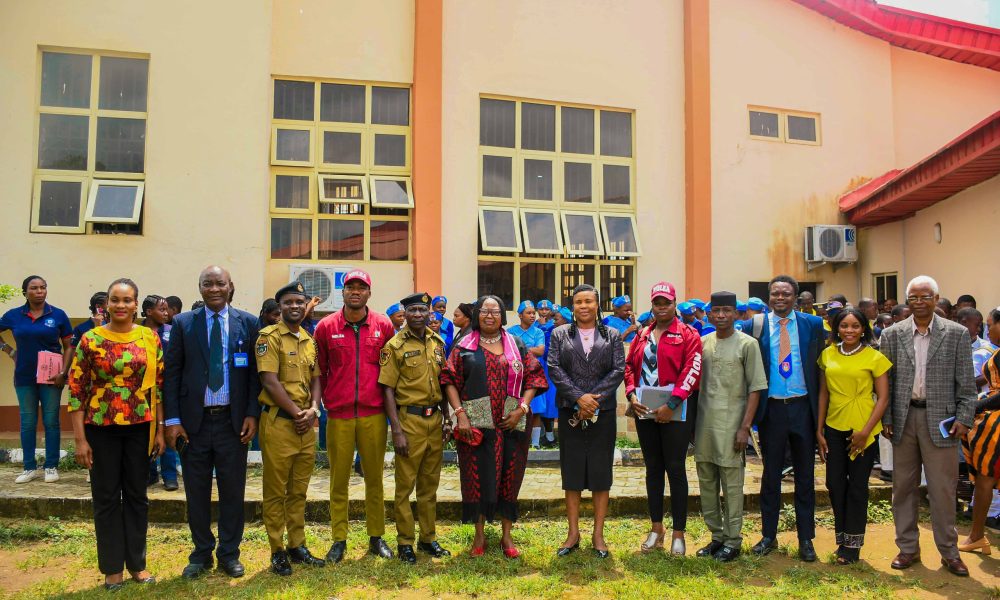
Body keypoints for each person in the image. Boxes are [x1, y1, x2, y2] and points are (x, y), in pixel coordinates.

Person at [163, 266, 261, 579]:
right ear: (200, 287)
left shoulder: (248, 323)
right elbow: (172, 373)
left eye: (220, 283)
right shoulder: (183, 323)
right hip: (194, 425)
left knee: (233, 492)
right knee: (196, 492)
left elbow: (254, 375)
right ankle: (201, 553)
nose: (214, 289)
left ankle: (229, 554)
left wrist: (251, 414)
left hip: (233, 424)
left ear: (230, 286)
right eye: (208, 284)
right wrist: (173, 420)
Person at [68, 278, 164, 590]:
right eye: (115, 300)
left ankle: (137, 564)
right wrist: (80, 440)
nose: (120, 305)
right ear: (106, 304)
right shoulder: (90, 339)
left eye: (127, 300)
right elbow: (76, 391)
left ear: (136, 305)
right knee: (107, 497)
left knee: (137, 496)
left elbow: (157, 388)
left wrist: (160, 431)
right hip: (101, 428)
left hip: (140, 428)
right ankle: (112, 569)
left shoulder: (149, 337)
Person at [879, 275, 975, 576]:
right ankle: (907, 548)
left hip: (943, 422)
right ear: (907, 301)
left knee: (942, 489)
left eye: (925, 297)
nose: (919, 302)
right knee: (903, 488)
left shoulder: (956, 333)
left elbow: (967, 384)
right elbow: (885, 382)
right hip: (904, 418)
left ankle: (949, 552)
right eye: (913, 298)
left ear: (936, 298)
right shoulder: (892, 334)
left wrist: (964, 418)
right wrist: (887, 418)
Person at [442, 295, 547, 557]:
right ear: (477, 315)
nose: (490, 316)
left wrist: (522, 408)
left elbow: (534, 377)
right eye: (485, 311)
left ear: (502, 316)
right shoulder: (464, 346)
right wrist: (460, 414)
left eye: (495, 311)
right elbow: (449, 380)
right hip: (475, 424)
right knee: (476, 477)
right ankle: (479, 537)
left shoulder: (516, 344)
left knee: (510, 477)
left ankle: (506, 536)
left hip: (512, 422)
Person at [313, 269, 396, 563]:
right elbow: (320, 370)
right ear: (343, 292)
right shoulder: (325, 327)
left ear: (369, 293)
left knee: (374, 478)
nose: (356, 292)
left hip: (374, 414)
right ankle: (339, 539)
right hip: (339, 415)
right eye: (350, 287)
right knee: (339, 479)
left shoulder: (384, 325)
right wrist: (324, 401)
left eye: (361, 287)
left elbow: (389, 370)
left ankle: (376, 536)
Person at [742, 275, 825, 562]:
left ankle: (806, 538)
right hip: (772, 410)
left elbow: (820, 368)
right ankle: (768, 535)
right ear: (769, 297)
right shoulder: (754, 326)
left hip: (803, 408)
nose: (780, 298)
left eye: (786, 294)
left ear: (795, 297)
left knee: (805, 476)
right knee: (771, 475)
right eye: (775, 293)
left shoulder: (813, 325)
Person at [624, 282, 702, 556]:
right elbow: (629, 367)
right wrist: (631, 394)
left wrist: (672, 404)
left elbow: (692, 370)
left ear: (674, 303)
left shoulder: (688, 334)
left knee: (675, 468)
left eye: (666, 302)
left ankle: (679, 532)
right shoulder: (643, 334)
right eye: (657, 303)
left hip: (676, 412)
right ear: (652, 305)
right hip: (645, 410)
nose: (661, 307)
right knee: (653, 468)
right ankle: (657, 527)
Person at [548, 284, 625, 559]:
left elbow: (618, 369)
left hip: (602, 412)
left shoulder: (612, 335)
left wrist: (593, 401)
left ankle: (598, 535)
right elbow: (554, 368)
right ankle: (573, 533)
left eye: (589, 301)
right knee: (572, 474)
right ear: (573, 306)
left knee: (601, 474)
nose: (583, 306)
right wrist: (579, 398)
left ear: (597, 305)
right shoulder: (559, 334)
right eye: (578, 301)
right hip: (570, 411)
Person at [255, 282, 326, 576]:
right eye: (288, 302)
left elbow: (317, 379)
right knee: (275, 492)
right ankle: (277, 550)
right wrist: (298, 413)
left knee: (299, 490)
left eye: (299, 301)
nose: (295, 306)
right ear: (280, 307)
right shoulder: (268, 337)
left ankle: (297, 545)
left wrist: (313, 409)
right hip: (279, 424)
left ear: (306, 304)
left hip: (306, 426)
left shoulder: (309, 340)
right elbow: (269, 381)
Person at [693, 291, 766, 562]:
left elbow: (756, 388)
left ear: (736, 314)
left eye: (727, 310)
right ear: (709, 314)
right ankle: (716, 537)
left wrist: (745, 428)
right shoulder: (702, 343)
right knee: (707, 482)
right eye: (716, 311)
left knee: (732, 485)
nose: (721, 315)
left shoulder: (748, 344)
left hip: (733, 425)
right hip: (704, 425)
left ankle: (733, 540)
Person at [379, 293, 452, 563]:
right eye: (413, 310)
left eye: (423, 310)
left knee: (429, 486)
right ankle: (405, 542)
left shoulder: (438, 343)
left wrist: (447, 418)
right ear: (405, 314)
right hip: (409, 421)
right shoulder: (394, 346)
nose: (419, 315)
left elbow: (444, 383)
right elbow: (387, 390)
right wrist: (396, 430)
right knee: (405, 486)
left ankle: (428, 538)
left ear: (430, 312)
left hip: (435, 420)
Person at [816, 308, 891, 564]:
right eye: (844, 326)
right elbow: (824, 393)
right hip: (834, 426)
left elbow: (883, 398)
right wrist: (819, 430)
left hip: (862, 429)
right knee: (835, 484)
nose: (849, 330)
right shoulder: (827, 354)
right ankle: (842, 538)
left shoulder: (875, 357)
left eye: (855, 326)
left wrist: (866, 431)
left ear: (863, 329)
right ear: (836, 328)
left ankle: (852, 546)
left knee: (857, 486)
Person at [0, 275, 73, 484]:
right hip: (24, 376)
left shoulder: (58, 315)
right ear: (25, 292)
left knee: (51, 421)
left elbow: (69, 346)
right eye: (34, 288)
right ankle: (29, 468)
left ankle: (51, 466)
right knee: (27, 422)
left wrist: (63, 372)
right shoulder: (14, 315)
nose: (39, 291)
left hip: (52, 377)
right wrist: (8, 350)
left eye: (43, 287)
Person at [959, 307, 1000, 555]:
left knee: (986, 478)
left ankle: (976, 536)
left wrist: (975, 406)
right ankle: (976, 536)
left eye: (990, 324)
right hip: (992, 426)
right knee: (985, 478)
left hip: (996, 426)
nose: (988, 329)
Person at [141, 295, 179, 491]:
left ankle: (170, 475)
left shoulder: (172, 332)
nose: (166, 313)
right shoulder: (137, 332)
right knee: (145, 432)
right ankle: (149, 473)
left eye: (167, 309)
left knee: (166, 428)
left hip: (168, 389)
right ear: (149, 312)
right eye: (162, 309)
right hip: (144, 390)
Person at [507, 301, 547, 449]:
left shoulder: (538, 332)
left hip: (534, 374)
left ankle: (535, 443)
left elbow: (540, 351)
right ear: (520, 315)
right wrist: (530, 349)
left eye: (533, 313)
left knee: (536, 409)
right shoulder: (511, 331)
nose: (532, 316)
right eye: (528, 313)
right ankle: (518, 441)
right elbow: (507, 350)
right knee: (515, 406)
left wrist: (520, 348)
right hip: (515, 374)